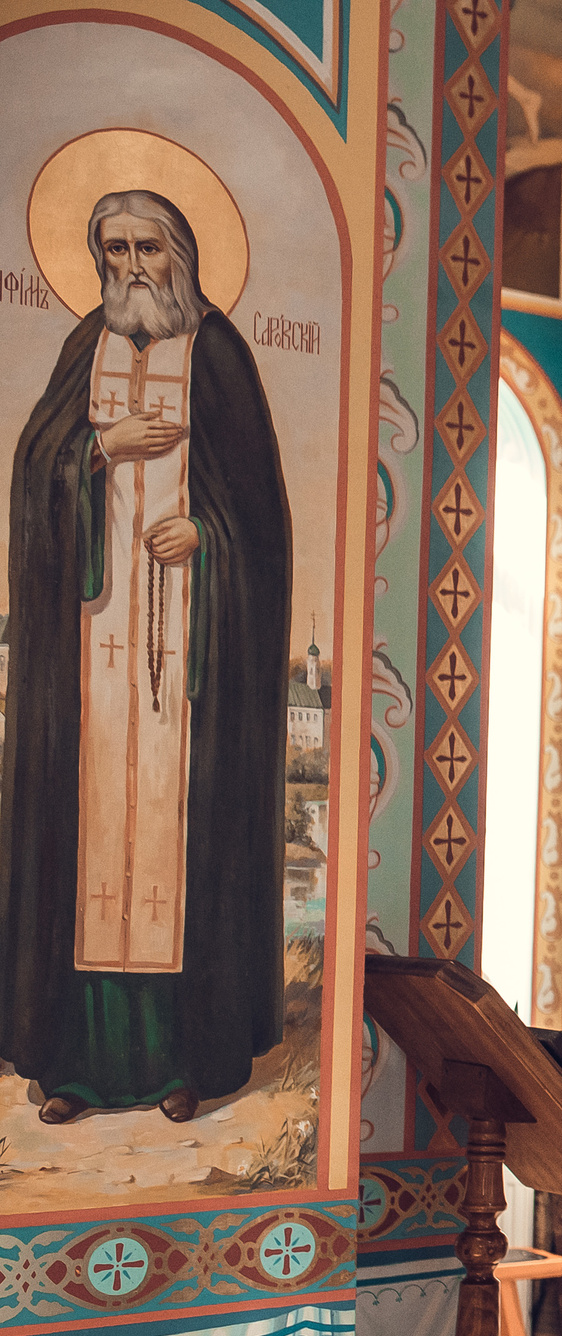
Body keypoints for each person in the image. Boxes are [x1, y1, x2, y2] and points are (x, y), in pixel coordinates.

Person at [2, 190, 291, 1126]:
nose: (132, 265)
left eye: (148, 247)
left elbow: (261, 520)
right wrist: (96, 451)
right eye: (115, 247)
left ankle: (185, 1060)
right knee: (84, 849)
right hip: (89, 666)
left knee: (178, 849)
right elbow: (32, 468)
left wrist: (204, 534)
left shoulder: (220, 356)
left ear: (182, 253)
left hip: (187, 672)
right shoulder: (83, 346)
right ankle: (79, 1069)